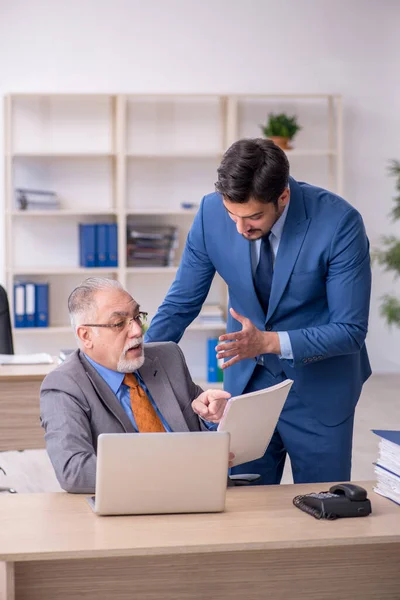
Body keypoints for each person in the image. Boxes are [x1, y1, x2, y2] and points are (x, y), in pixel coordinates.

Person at [145, 138, 372, 485]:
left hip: (321, 388)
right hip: (246, 387)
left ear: (283, 196)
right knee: (242, 509)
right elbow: (181, 304)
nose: (240, 228)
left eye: (253, 217)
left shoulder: (339, 223)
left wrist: (267, 342)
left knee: (326, 511)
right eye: (232, 215)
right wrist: (137, 361)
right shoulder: (209, 214)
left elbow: (350, 329)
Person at [40, 277, 231, 494]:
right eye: (119, 323)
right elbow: (74, 471)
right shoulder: (64, 386)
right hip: (134, 507)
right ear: (86, 336)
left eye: (137, 317)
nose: (137, 331)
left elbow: (202, 432)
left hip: (204, 494)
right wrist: (173, 467)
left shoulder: (168, 357)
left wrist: (211, 417)